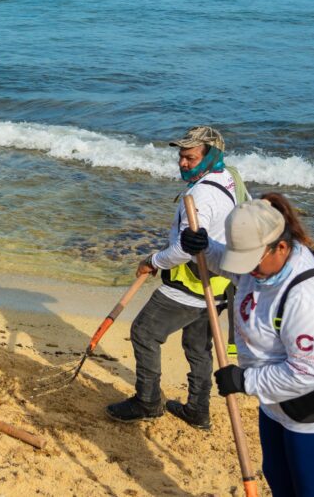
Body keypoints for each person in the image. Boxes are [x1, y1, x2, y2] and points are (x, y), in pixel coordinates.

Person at [182, 194, 314, 496]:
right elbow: (234, 267)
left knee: (313, 490)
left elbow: (308, 372)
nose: (247, 270)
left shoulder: (306, 298)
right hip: (279, 403)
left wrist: (244, 380)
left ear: (281, 247)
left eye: (252, 261)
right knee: (279, 478)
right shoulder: (262, 265)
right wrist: (203, 248)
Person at [106, 125, 249, 429]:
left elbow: (186, 248)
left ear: (211, 156)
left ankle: (147, 402)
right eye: (181, 156)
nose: (183, 162)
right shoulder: (231, 178)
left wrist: (153, 261)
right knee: (198, 347)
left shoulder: (201, 196)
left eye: (190, 157)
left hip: (191, 284)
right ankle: (198, 410)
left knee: (144, 332)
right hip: (221, 285)